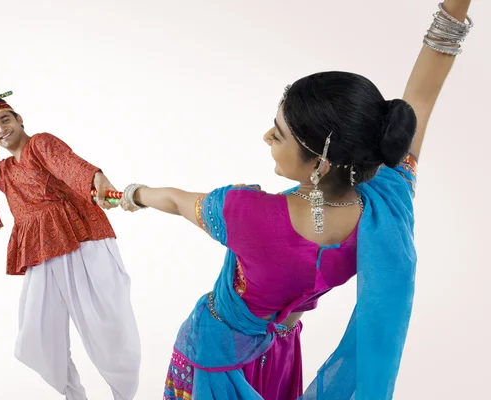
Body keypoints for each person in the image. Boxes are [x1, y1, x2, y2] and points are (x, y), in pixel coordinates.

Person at [117, 1, 474, 399]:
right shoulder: (387, 199)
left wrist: (133, 195)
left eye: (278, 133)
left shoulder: (246, 214)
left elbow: (178, 200)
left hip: (214, 357)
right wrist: (456, 7)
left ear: (320, 162)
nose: (266, 138)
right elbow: (421, 99)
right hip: (281, 352)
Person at [0, 97, 141, 400]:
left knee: (106, 326)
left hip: (81, 240)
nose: (0, 129)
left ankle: (124, 395)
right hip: (41, 252)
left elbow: (69, 164)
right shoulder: (4, 170)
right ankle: (75, 396)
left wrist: (96, 179)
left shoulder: (40, 144)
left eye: (4, 120)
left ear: (19, 119)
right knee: (36, 333)